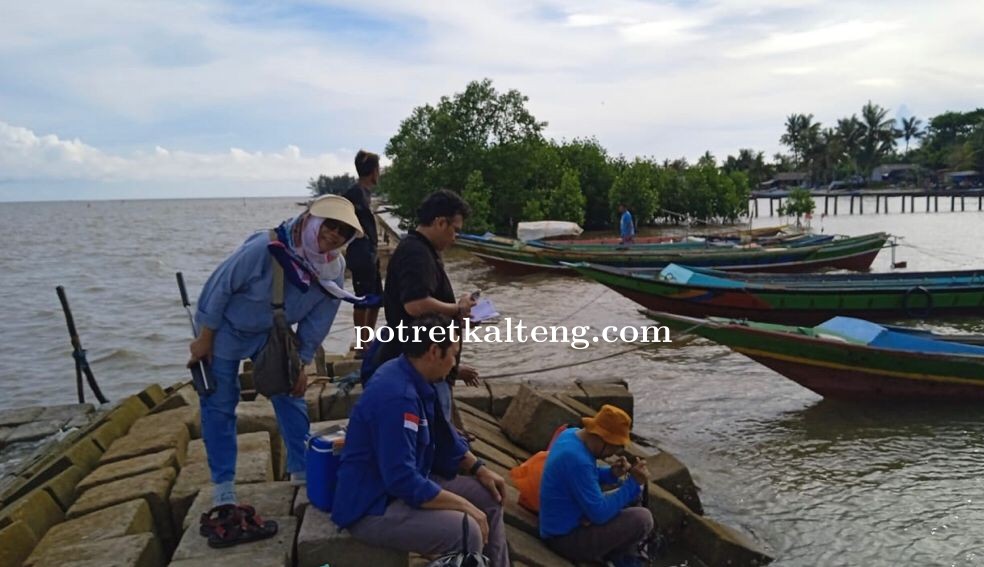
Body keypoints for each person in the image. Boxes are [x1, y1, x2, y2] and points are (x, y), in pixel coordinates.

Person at [188, 195, 362, 545]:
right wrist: (203, 339)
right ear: (311, 220)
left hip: (272, 334)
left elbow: (319, 318)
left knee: (292, 394)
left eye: (343, 232)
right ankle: (223, 488)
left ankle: (301, 469)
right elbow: (218, 288)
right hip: (225, 329)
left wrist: (303, 360)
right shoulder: (265, 248)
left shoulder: (333, 268)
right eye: (329, 224)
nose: (333, 235)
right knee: (220, 406)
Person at [332, 314, 510, 567]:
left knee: (489, 496)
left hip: (409, 482)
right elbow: (401, 479)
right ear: (434, 351)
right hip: (374, 504)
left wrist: (479, 468)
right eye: (454, 355)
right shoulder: (398, 398)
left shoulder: (414, 376)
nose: (454, 365)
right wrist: (464, 507)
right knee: (466, 529)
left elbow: (443, 435)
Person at [367, 189, 480, 427]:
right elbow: (415, 305)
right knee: (432, 439)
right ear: (440, 222)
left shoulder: (421, 250)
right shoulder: (416, 253)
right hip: (423, 368)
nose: (455, 237)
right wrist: (457, 309)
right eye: (455, 230)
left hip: (432, 364)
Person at [539, 405, 654, 566]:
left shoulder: (570, 435)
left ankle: (625, 557)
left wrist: (610, 474)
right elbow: (599, 513)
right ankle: (627, 561)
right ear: (602, 439)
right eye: (614, 447)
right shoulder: (577, 461)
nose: (613, 453)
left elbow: (582, 478)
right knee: (643, 519)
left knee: (631, 497)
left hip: (562, 522)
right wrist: (634, 482)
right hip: (564, 538)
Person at [343, 150, 382, 357]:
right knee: (363, 299)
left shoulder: (366, 193)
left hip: (371, 252)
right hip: (360, 251)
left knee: (376, 298)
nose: (380, 173)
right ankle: (361, 345)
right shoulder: (355, 193)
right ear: (372, 171)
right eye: (378, 169)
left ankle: (367, 339)